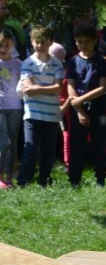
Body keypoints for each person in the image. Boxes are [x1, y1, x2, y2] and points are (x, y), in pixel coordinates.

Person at [65, 22, 106, 188]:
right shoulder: (72, 61)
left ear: (94, 40)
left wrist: (81, 99)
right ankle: (74, 181)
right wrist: (79, 108)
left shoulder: (102, 62)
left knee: (99, 145)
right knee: (76, 145)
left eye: (87, 41)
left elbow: (103, 87)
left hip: (98, 107)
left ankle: (100, 179)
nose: (83, 45)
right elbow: (70, 86)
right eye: (79, 41)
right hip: (78, 109)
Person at [15, 27, 63, 187]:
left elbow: (58, 88)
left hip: (51, 114)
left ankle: (44, 180)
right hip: (32, 114)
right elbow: (28, 88)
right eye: (37, 42)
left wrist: (38, 88)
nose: (40, 45)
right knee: (31, 149)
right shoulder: (27, 63)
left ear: (50, 42)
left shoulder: (57, 64)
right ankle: (23, 181)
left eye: (44, 42)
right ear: (31, 41)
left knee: (48, 151)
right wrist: (45, 89)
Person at [0, 27, 22, 188]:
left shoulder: (19, 64)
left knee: (13, 143)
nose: (3, 49)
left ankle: (9, 178)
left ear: (12, 45)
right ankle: (0, 177)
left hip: (15, 107)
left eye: (6, 45)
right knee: (4, 142)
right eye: (0, 45)